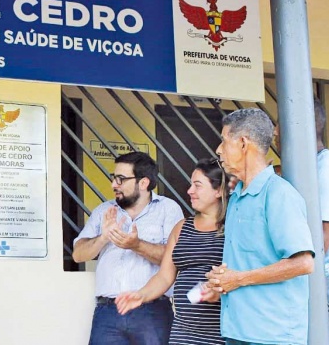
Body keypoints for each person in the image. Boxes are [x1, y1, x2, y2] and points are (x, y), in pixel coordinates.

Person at [208, 108, 314, 345]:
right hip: (239, 330)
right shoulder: (236, 196)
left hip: (272, 335)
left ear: (243, 144)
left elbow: (303, 262)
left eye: (224, 141)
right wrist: (220, 283)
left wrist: (238, 279)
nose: (218, 150)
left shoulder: (278, 193)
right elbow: (248, 263)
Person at [72, 151, 184, 345]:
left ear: (143, 183)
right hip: (108, 312)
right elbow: (78, 255)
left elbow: (174, 259)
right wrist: (103, 238)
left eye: (121, 179)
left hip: (152, 311)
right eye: (114, 178)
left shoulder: (168, 209)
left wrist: (136, 245)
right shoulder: (104, 211)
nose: (114, 185)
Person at [276, 100, 329, 344]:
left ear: (299, 126)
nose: (275, 132)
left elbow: (323, 237)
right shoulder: (309, 168)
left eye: (279, 124)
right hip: (323, 280)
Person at [116, 158, 226, 345]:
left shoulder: (234, 227)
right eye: (191, 184)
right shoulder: (182, 227)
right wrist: (141, 295)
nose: (190, 191)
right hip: (183, 332)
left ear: (218, 190)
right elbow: (165, 276)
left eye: (197, 185)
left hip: (221, 332)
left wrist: (220, 291)